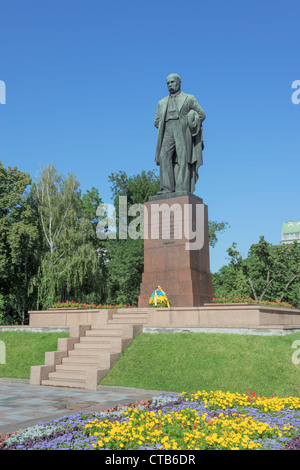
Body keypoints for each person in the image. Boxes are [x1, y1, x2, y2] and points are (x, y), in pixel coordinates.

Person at [154, 73, 205, 194]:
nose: (169, 85)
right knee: (164, 156)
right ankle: (166, 188)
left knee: (183, 158)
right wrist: (162, 124)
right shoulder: (161, 102)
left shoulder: (189, 98)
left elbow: (202, 114)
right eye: (167, 83)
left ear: (179, 83)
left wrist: (191, 120)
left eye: (172, 82)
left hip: (182, 129)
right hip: (167, 129)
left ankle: (182, 188)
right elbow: (156, 121)